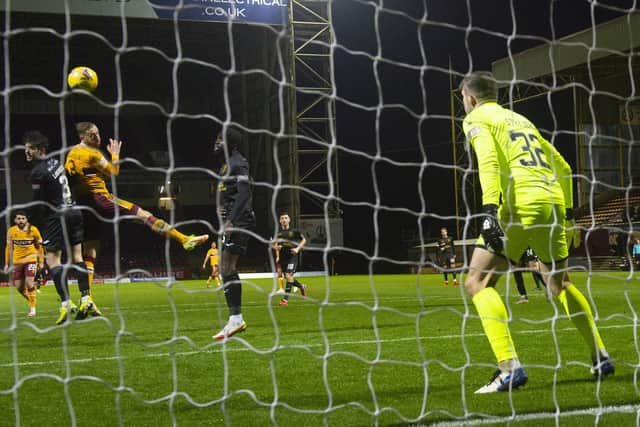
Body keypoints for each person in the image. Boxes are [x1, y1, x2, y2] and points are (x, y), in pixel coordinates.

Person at [460, 71, 613, 394]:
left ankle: (509, 368)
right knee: (559, 283)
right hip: (553, 204)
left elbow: (486, 159)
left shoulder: (477, 117)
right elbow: (564, 166)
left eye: (463, 99)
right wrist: (569, 213)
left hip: (520, 204)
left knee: (477, 282)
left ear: (470, 98)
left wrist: (489, 210)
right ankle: (600, 355)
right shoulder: (520, 120)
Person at [65, 122, 208, 288]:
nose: (97, 137)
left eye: (97, 133)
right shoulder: (92, 153)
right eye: (92, 135)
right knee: (144, 215)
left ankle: (86, 298)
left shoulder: (71, 154)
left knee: (90, 249)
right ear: (82, 137)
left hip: (84, 205)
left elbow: (69, 176)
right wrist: (115, 155)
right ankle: (184, 239)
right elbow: (114, 171)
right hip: (101, 199)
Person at [24, 130, 100, 324]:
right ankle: (86, 298)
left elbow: (38, 203)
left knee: (53, 260)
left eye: (30, 149)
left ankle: (66, 303)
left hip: (57, 216)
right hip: (74, 211)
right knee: (77, 257)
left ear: (40, 149)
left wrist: (30, 221)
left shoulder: (37, 172)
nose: (27, 153)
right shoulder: (56, 163)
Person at [212, 126, 255, 340]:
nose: (217, 142)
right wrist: (222, 208)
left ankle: (236, 319)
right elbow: (228, 192)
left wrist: (230, 220)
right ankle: (234, 319)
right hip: (230, 219)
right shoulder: (226, 164)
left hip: (239, 221)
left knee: (228, 266)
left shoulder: (239, 163)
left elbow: (245, 193)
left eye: (221, 139)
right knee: (223, 267)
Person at [4, 211, 43, 317]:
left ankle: (33, 308)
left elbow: (39, 246)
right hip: (17, 261)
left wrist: (41, 261)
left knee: (29, 283)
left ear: (26, 219)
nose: (21, 220)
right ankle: (31, 301)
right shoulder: (11, 231)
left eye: (23, 218)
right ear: (15, 220)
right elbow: (8, 248)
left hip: (31, 259)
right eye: (18, 218)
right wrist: (7, 263)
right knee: (19, 287)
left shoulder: (33, 230)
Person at [274, 212, 307, 306]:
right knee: (289, 278)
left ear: (289, 220)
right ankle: (301, 287)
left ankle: (285, 300)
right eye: (282, 218)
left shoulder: (295, 231)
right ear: (280, 221)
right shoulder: (278, 233)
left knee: (288, 276)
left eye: (286, 218)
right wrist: (277, 249)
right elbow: (274, 245)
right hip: (283, 258)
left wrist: (297, 249)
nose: (284, 220)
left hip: (292, 257)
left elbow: (304, 240)